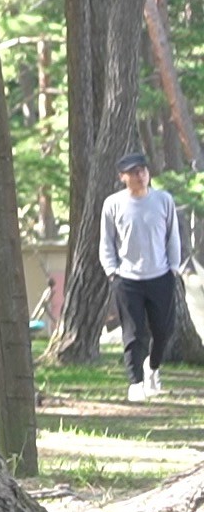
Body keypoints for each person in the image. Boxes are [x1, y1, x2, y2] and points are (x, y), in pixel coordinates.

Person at [100, 152, 184, 401]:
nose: (141, 175)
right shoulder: (113, 204)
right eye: (134, 172)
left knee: (163, 330)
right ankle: (135, 382)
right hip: (127, 278)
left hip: (160, 275)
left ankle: (152, 368)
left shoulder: (163, 200)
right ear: (122, 177)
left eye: (144, 170)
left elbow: (173, 236)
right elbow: (106, 241)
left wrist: (174, 267)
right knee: (133, 332)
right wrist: (111, 271)